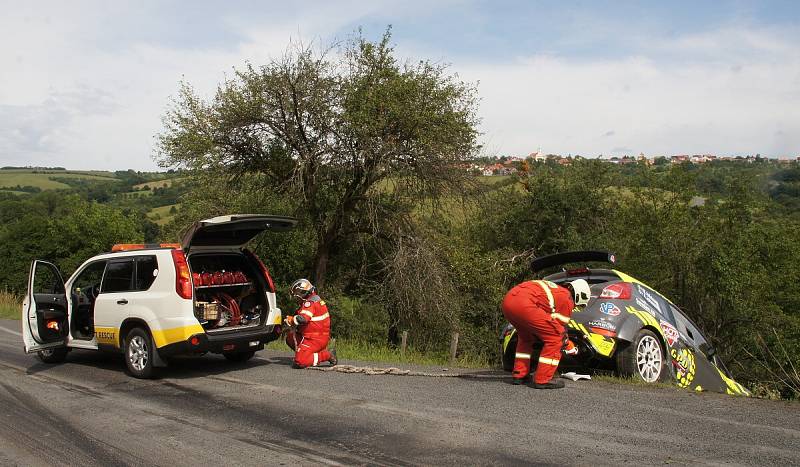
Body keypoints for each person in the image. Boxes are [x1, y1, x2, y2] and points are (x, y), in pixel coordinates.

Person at [502, 278, 590, 389]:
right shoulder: (567, 297)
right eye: (580, 306)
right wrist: (571, 347)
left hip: (508, 302)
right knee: (556, 338)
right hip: (524, 305)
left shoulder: (557, 290)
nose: (575, 308)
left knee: (526, 338)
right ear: (580, 296)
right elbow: (559, 330)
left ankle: (520, 375)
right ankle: (542, 379)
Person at [283, 278, 337, 368]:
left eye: (297, 293)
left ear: (303, 291)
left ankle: (327, 355)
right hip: (314, 337)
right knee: (290, 338)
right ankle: (309, 354)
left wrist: (291, 320)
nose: (296, 296)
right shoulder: (312, 300)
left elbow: (302, 319)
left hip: (314, 339)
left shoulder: (310, 303)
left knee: (300, 362)